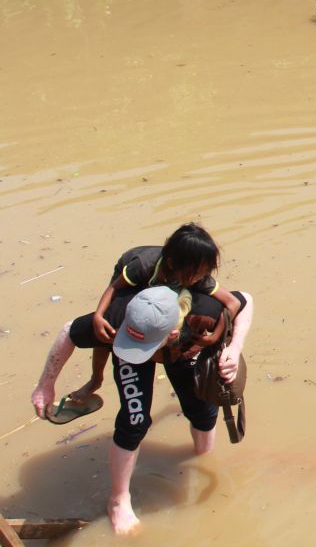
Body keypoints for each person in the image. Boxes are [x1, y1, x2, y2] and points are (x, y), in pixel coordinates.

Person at [31, 285, 254, 535]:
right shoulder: (116, 318)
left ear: (173, 332)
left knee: (202, 409)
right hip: (126, 347)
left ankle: (202, 456)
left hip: (183, 352)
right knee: (134, 421)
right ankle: (118, 501)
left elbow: (245, 300)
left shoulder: (204, 312)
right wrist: (45, 385)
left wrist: (234, 349)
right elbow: (68, 332)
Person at [73, 224, 241, 408]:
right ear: (171, 264)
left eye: (203, 274)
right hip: (135, 283)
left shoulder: (198, 276)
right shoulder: (144, 265)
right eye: (195, 275)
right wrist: (98, 315)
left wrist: (214, 336)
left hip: (165, 289)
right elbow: (114, 287)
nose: (198, 279)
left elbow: (233, 302)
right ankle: (96, 379)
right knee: (109, 326)